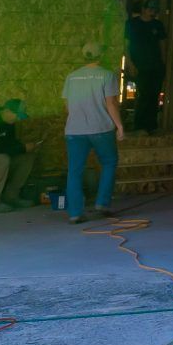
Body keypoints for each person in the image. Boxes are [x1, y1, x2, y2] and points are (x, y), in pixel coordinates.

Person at [61, 47, 121, 223]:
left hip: (74, 130)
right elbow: (111, 104)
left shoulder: (71, 77)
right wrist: (120, 126)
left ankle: (75, 213)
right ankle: (102, 203)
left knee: (74, 170)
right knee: (109, 162)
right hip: (100, 128)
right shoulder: (107, 75)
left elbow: (67, 106)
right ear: (101, 55)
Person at [122, 5, 167, 134]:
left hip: (155, 66)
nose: (152, 12)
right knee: (143, 94)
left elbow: (162, 44)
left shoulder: (157, 25)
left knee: (154, 95)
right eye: (150, 9)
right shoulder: (132, 24)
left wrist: (163, 62)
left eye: (154, 10)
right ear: (143, 9)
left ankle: (151, 125)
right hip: (140, 66)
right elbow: (126, 45)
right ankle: (139, 125)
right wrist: (129, 63)